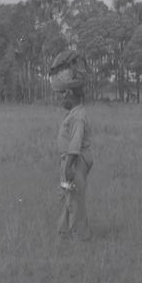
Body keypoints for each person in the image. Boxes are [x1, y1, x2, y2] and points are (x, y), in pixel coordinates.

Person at [56, 87, 93, 241]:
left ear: (71, 95)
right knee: (67, 195)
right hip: (71, 159)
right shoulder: (74, 113)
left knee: (75, 197)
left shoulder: (77, 116)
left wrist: (69, 166)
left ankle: (79, 235)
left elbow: (76, 142)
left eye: (64, 97)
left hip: (75, 160)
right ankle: (64, 232)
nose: (62, 100)